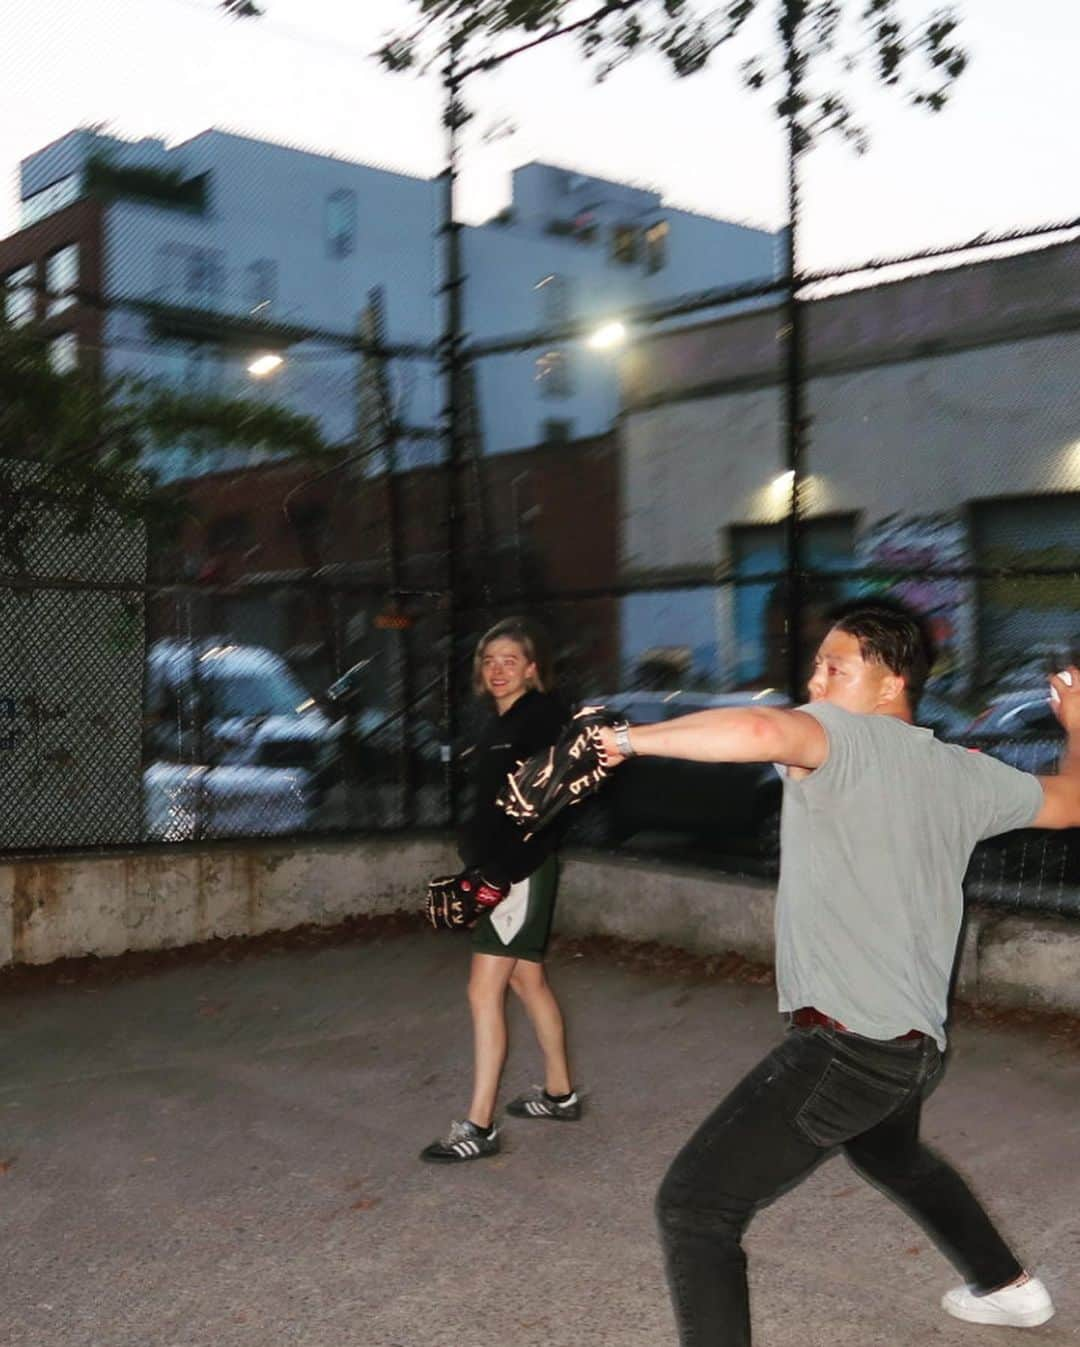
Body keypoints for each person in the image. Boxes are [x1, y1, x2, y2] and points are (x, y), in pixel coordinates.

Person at [598, 597, 1072, 1339]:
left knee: (695, 1206)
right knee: (893, 1154)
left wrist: (619, 739)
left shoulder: (841, 737)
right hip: (914, 1050)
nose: (814, 682)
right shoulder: (960, 770)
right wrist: (1077, 730)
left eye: (834, 666)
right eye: (815, 665)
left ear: (889, 685)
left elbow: (757, 728)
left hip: (849, 1051)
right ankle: (1008, 1287)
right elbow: (1071, 801)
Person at [421, 617, 580, 1164]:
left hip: (519, 872)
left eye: (510, 660)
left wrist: (499, 875)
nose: (497, 669)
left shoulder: (541, 722)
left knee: (481, 990)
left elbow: (551, 812)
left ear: (533, 669)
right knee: (527, 982)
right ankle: (561, 1094)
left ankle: (479, 1125)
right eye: (489, 660)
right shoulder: (502, 721)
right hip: (504, 870)